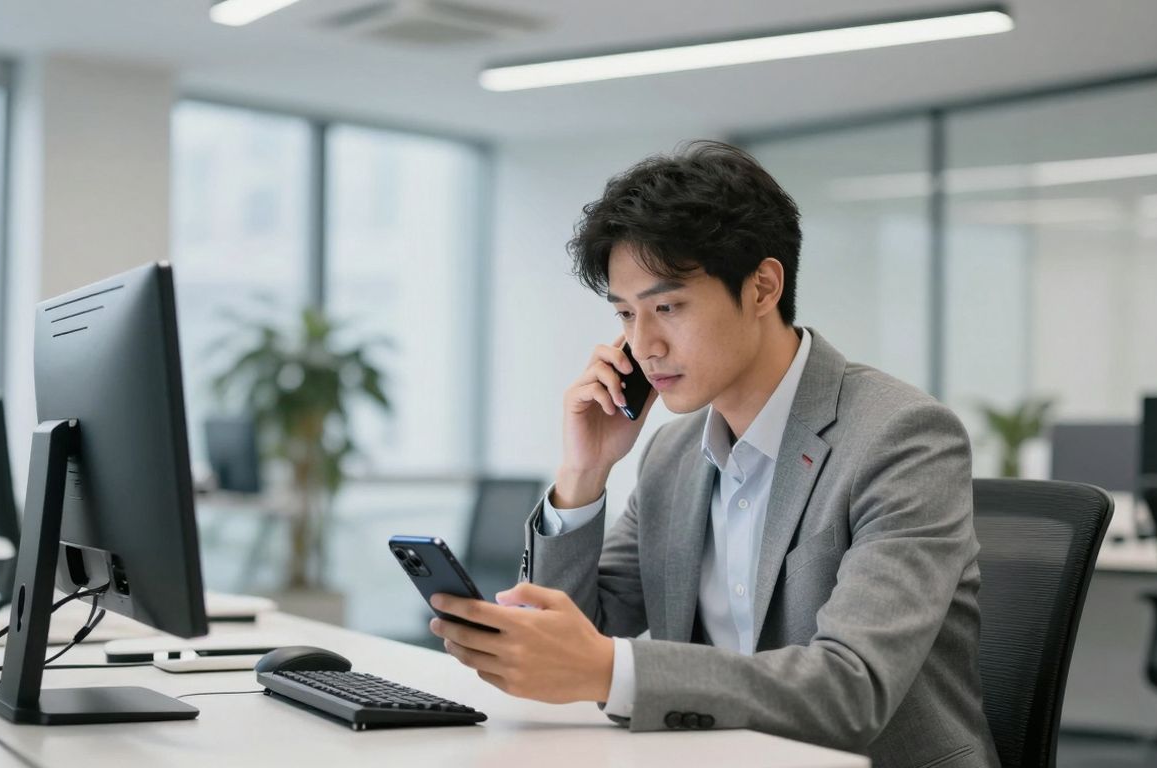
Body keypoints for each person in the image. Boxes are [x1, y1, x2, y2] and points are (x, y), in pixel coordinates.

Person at [428, 140, 998, 768]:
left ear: (762, 287)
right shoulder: (673, 453)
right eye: (625, 314)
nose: (643, 345)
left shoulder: (902, 437)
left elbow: (851, 690)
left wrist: (612, 669)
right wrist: (584, 473)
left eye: (667, 307)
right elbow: (580, 633)